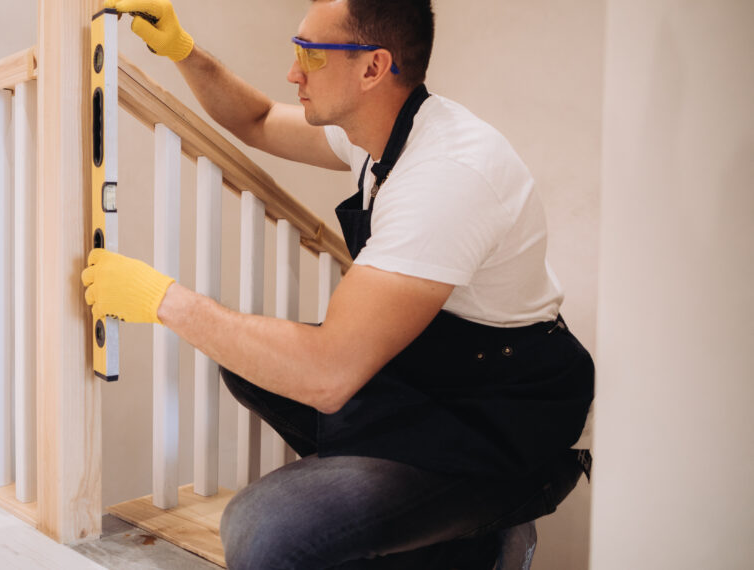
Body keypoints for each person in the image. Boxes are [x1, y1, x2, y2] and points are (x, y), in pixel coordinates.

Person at [81, 0, 594, 568]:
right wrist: (182, 49)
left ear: (373, 68)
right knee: (251, 365)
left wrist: (164, 301)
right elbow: (253, 121)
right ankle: (432, 520)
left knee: (263, 531)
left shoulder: (447, 179)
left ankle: (492, 523)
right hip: (435, 372)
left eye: (310, 55)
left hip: (497, 417)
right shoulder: (375, 129)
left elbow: (326, 375)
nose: (293, 71)